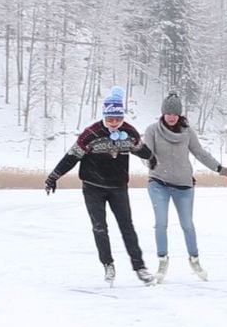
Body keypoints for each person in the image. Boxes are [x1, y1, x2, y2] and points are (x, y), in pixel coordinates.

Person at [45, 86, 156, 286]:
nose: (114, 124)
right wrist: (54, 176)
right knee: (100, 228)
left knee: (127, 227)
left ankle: (140, 267)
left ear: (122, 118)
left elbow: (139, 149)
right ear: (104, 117)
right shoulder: (91, 134)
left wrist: (151, 158)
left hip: (118, 187)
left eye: (118, 119)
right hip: (92, 186)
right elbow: (71, 157)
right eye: (110, 119)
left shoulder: (129, 133)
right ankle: (108, 264)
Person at [142, 93, 227, 283]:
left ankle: (194, 259)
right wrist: (149, 160)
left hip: (183, 185)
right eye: (168, 113)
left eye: (175, 113)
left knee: (187, 225)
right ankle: (162, 261)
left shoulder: (187, 132)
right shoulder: (152, 130)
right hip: (158, 182)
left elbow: (200, 153)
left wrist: (220, 169)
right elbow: (146, 152)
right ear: (163, 113)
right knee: (161, 222)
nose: (171, 116)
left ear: (180, 114)